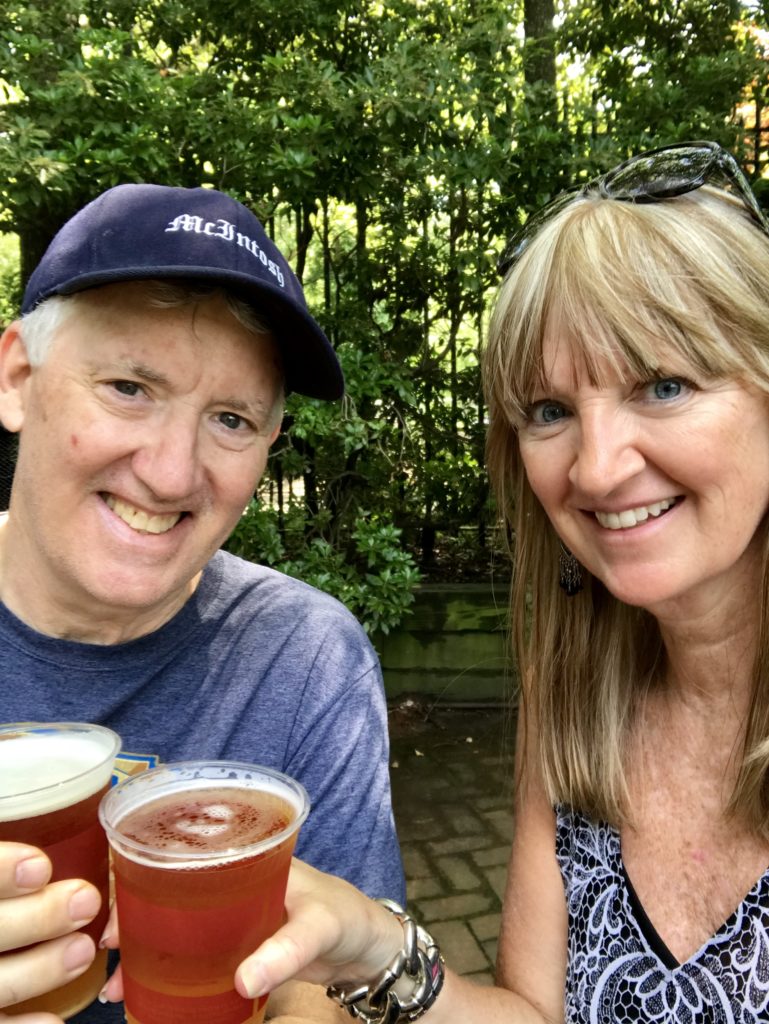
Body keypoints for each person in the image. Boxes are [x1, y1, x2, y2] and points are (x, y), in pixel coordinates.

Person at [223, 140, 769, 1024]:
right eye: (549, 411)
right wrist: (376, 949)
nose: (594, 469)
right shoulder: (573, 710)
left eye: (663, 384)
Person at [0, 183, 404, 1022]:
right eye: (129, 388)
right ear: (17, 379)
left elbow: (324, 986)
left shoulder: (303, 658)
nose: (173, 472)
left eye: (229, 418)